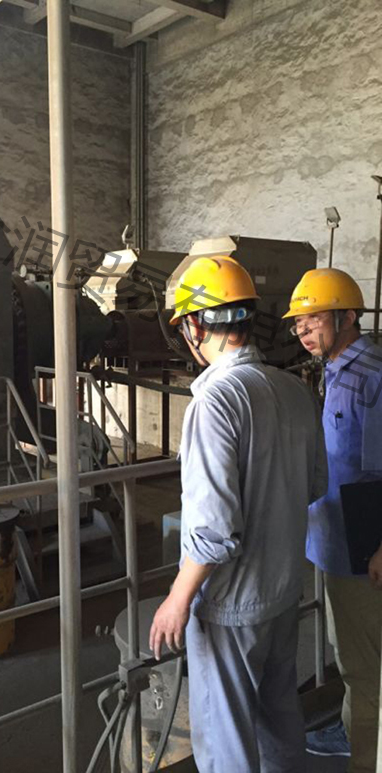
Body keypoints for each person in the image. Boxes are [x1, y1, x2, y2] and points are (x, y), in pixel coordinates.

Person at [149, 255, 328, 773]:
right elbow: (316, 485)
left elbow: (213, 530)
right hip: (283, 589)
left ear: (194, 326)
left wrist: (177, 599)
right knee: (278, 719)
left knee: (226, 742)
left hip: (230, 604)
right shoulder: (294, 389)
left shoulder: (215, 403)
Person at [283, 267, 382, 772]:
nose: (302, 330)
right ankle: (352, 729)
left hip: (363, 550)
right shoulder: (337, 368)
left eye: (314, 317)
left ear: (347, 317)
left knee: (364, 667)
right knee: (350, 654)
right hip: (338, 541)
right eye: (297, 322)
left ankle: (366, 759)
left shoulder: (372, 376)